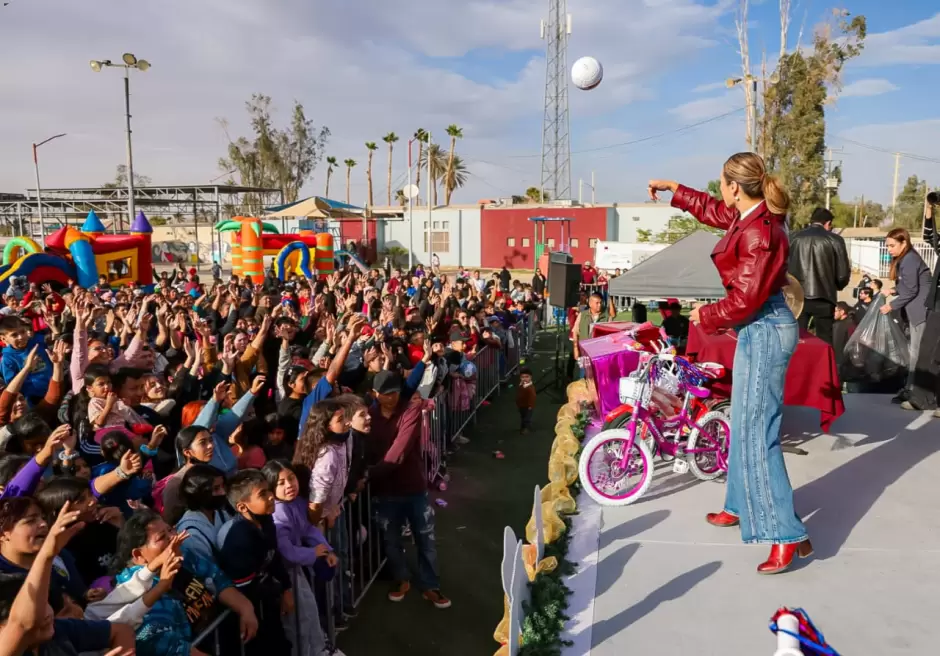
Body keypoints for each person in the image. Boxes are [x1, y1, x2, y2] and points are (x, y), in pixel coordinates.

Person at [648, 151, 811, 574]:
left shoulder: (761, 231)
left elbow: (746, 299)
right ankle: (740, 505)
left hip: (764, 328)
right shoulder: (750, 217)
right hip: (758, 327)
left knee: (761, 434)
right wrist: (675, 191)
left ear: (735, 186)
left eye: (722, 183)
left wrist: (707, 315)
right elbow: (713, 211)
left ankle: (787, 534)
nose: (721, 192)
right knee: (744, 422)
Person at [879, 228, 932, 405]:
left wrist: (891, 305)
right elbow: (907, 286)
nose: (889, 249)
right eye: (887, 246)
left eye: (892, 245)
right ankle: (911, 389)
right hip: (915, 312)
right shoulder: (905, 259)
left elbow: (911, 290)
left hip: (921, 313)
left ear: (904, 243)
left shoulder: (909, 259)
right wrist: (892, 290)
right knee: (913, 353)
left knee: (917, 354)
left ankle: (914, 392)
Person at [787, 207, 851, 346]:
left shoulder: (793, 237)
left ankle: (799, 367)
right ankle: (822, 367)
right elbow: (842, 274)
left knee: (798, 339)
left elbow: (784, 266)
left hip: (798, 297)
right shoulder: (835, 240)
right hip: (825, 297)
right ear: (827, 223)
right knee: (824, 339)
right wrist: (838, 285)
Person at [905, 196, 940, 416]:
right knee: (928, 349)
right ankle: (922, 398)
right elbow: (931, 237)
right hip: (938, 300)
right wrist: (929, 209)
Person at [0, 319, 52, 404]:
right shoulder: (7, 359)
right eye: (14, 335)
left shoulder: (37, 343)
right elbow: (12, 385)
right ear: (4, 339)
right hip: (35, 398)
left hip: (53, 387)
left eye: (22, 332)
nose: (21, 337)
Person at [516, 367, 536, 434]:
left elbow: (532, 397)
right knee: (523, 417)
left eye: (527, 377)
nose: (524, 379)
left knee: (527, 418)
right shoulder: (521, 385)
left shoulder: (530, 388)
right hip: (521, 405)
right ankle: (523, 427)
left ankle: (527, 429)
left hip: (528, 406)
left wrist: (530, 406)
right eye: (522, 377)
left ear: (531, 377)